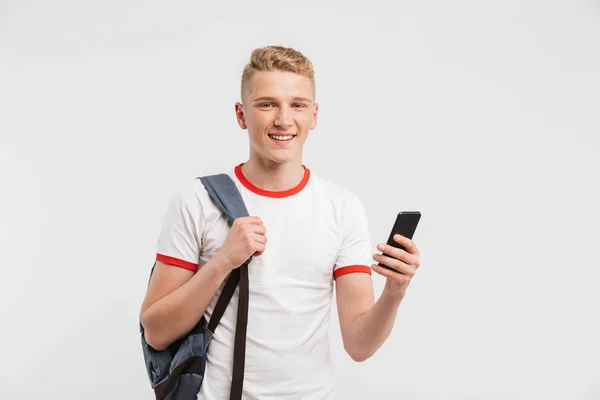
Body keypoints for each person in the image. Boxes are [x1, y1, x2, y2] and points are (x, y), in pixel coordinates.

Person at [139, 45, 421, 399]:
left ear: (314, 115)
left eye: (298, 105)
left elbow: (359, 345)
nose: (284, 120)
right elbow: (157, 331)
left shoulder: (342, 208)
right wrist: (223, 261)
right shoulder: (197, 200)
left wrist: (395, 293)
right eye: (267, 104)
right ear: (241, 115)